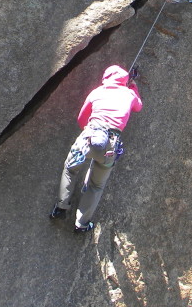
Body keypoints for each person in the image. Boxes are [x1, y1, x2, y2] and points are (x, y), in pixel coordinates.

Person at [50, 64, 142, 233]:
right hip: (110, 146)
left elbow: (81, 118)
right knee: (96, 186)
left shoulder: (97, 92)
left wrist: (89, 131)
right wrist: (133, 87)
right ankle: (82, 224)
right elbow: (138, 107)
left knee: (71, 170)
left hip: (89, 137)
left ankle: (61, 208)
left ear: (106, 78)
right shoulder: (129, 94)